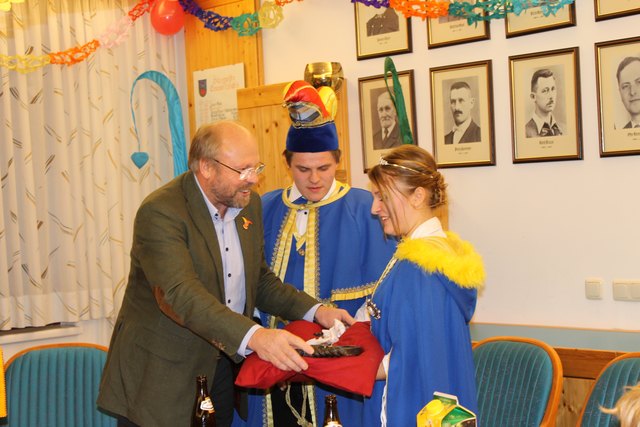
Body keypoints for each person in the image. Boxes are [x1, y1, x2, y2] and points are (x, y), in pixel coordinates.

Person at [96, 120, 354, 427]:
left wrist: (317, 311)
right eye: (242, 170)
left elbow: (259, 281)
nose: (254, 179)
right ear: (206, 167)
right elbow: (181, 294)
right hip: (162, 376)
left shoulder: (248, 205)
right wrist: (256, 336)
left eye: (255, 167)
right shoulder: (162, 212)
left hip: (220, 367)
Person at [242, 81, 396, 427]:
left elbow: (387, 299)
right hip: (274, 364)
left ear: (338, 162)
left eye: (324, 168)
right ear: (287, 164)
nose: (314, 179)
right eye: (303, 169)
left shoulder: (367, 210)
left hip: (339, 372)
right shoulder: (263, 207)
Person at [359, 144, 485, 427]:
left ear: (417, 196)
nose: (374, 208)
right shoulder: (437, 254)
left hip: (414, 405)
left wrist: (339, 366)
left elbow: (408, 359)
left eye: (382, 197)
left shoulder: (418, 267)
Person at [525, 68, 564, 137]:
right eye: (545, 91)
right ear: (533, 97)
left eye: (553, 89)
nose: (551, 96)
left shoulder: (564, 129)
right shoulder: (525, 132)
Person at [616, 56, 640, 129]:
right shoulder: (618, 134)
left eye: (639, 82)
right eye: (625, 86)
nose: (632, 92)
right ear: (620, 93)